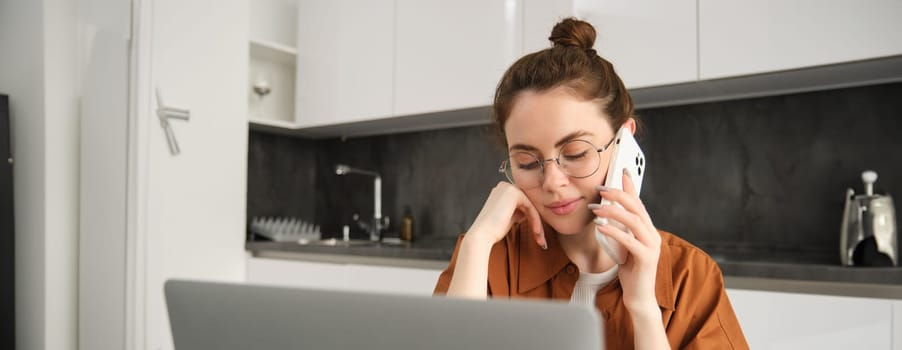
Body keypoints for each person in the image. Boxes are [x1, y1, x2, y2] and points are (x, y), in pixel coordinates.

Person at [433, 18, 749, 350]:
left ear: (624, 142)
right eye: (527, 162)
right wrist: (477, 241)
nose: (553, 183)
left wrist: (644, 310)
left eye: (576, 153)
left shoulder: (690, 276)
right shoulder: (490, 257)